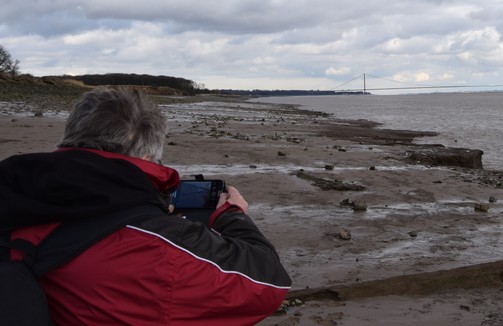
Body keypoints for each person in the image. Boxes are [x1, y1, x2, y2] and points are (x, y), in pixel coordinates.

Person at [0, 87, 291, 325]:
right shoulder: (158, 246)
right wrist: (230, 214)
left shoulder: (15, 189)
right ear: (149, 157)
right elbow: (269, 283)